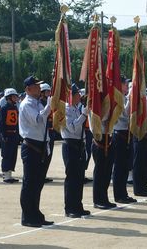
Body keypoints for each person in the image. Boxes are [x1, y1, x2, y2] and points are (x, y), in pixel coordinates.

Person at [19, 76, 54, 227]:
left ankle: (35, 213)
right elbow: (38, 120)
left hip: (40, 145)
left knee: (38, 183)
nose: (39, 88)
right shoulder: (27, 104)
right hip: (31, 146)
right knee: (30, 183)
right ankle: (28, 216)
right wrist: (48, 107)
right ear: (28, 89)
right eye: (36, 86)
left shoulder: (38, 103)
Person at [61, 84, 91, 218]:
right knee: (72, 178)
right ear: (71, 96)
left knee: (79, 178)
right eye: (77, 94)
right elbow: (72, 128)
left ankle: (78, 206)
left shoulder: (76, 108)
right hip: (70, 145)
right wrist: (83, 116)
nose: (80, 96)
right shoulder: (65, 110)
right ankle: (70, 208)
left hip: (79, 144)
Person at [112, 78, 137, 203]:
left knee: (125, 166)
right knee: (119, 166)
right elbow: (123, 116)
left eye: (127, 85)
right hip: (119, 134)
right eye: (125, 84)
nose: (127, 87)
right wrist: (131, 99)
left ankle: (124, 193)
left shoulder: (125, 98)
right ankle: (119, 194)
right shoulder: (116, 99)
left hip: (126, 134)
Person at [132, 91, 147, 197]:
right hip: (139, 135)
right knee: (139, 164)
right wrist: (146, 100)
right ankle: (138, 188)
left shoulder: (145, 101)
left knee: (145, 163)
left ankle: (144, 187)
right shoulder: (136, 102)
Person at [0, 88, 20, 183]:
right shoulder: (3, 108)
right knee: (6, 154)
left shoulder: (15, 108)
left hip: (14, 134)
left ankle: (10, 174)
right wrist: (4, 135)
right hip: (7, 134)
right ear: (8, 98)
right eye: (14, 96)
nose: (16, 98)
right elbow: (2, 123)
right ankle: (6, 175)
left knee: (13, 154)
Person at [40, 82, 55, 183]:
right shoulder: (40, 103)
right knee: (43, 154)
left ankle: (44, 174)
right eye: (47, 91)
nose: (49, 93)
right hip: (44, 130)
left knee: (49, 155)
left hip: (51, 129)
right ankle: (40, 174)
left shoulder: (50, 102)